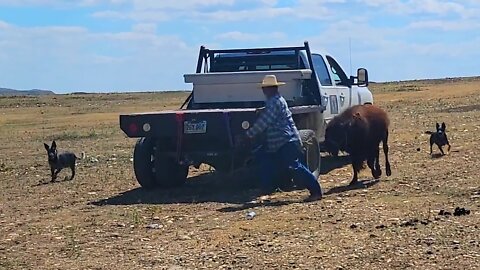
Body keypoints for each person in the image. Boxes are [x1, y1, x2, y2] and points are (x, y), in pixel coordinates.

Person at [238, 75, 323, 202]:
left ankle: (316, 190)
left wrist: (248, 135)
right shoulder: (277, 100)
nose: (264, 91)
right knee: (266, 160)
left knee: (294, 166)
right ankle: (267, 187)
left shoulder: (274, 102)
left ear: (271, 89)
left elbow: (264, 122)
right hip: (279, 141)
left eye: (266, 88)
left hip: (285, 140)